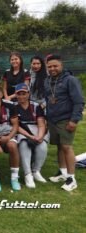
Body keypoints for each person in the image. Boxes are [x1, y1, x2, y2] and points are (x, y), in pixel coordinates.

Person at [44, 55, 84, 191]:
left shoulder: (71, 80)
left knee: (67, 147)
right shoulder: (47, 81)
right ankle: (62, 172)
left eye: (55, 66)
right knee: (59, 147)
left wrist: (74, 120)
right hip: (52, 119)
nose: (52, 68)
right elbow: (47, 99)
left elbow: (79, 101)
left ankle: (71, 178)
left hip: (66, 119)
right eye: (49, 66)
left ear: (61, 65)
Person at [15, 83, 48, 188]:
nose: (21, 96)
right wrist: (29, 136)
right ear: (16, 95)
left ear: (28, 94)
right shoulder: (13, 106)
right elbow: (16, 126)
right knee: (24, 144)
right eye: (19, 94)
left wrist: (40, 136)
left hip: (36, 130)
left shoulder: (36, 106)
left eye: (24, 93)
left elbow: (41, 123)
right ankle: (27, 174)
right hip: (21, 131)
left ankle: (36, 171)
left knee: (42, 146)